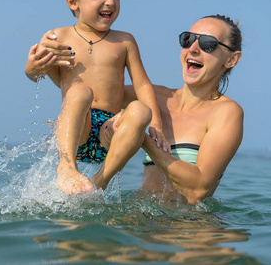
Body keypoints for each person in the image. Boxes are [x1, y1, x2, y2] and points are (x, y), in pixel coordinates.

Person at [29, 14, 244, 205]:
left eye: (208, 44)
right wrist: (46, 59)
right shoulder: (156, 98)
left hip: (189, 233)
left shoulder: (227, 112)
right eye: (188, 40)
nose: (193, 49)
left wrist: (144, 139)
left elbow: (198, 189)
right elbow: (87, 93)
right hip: (139, 220)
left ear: (232, 59)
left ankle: (99, 183)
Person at [24, 0, 167, 195]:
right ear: (73, 1)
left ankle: (100, 181)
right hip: (76, 128)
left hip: (110, 131)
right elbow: (37, 73)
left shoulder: (125, 41)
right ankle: (67, 166)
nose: (110, 1)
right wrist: (32, 67)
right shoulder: (59, 37)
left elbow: (142, 84)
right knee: (81, 91)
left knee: (140, 110)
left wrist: (157, 124)